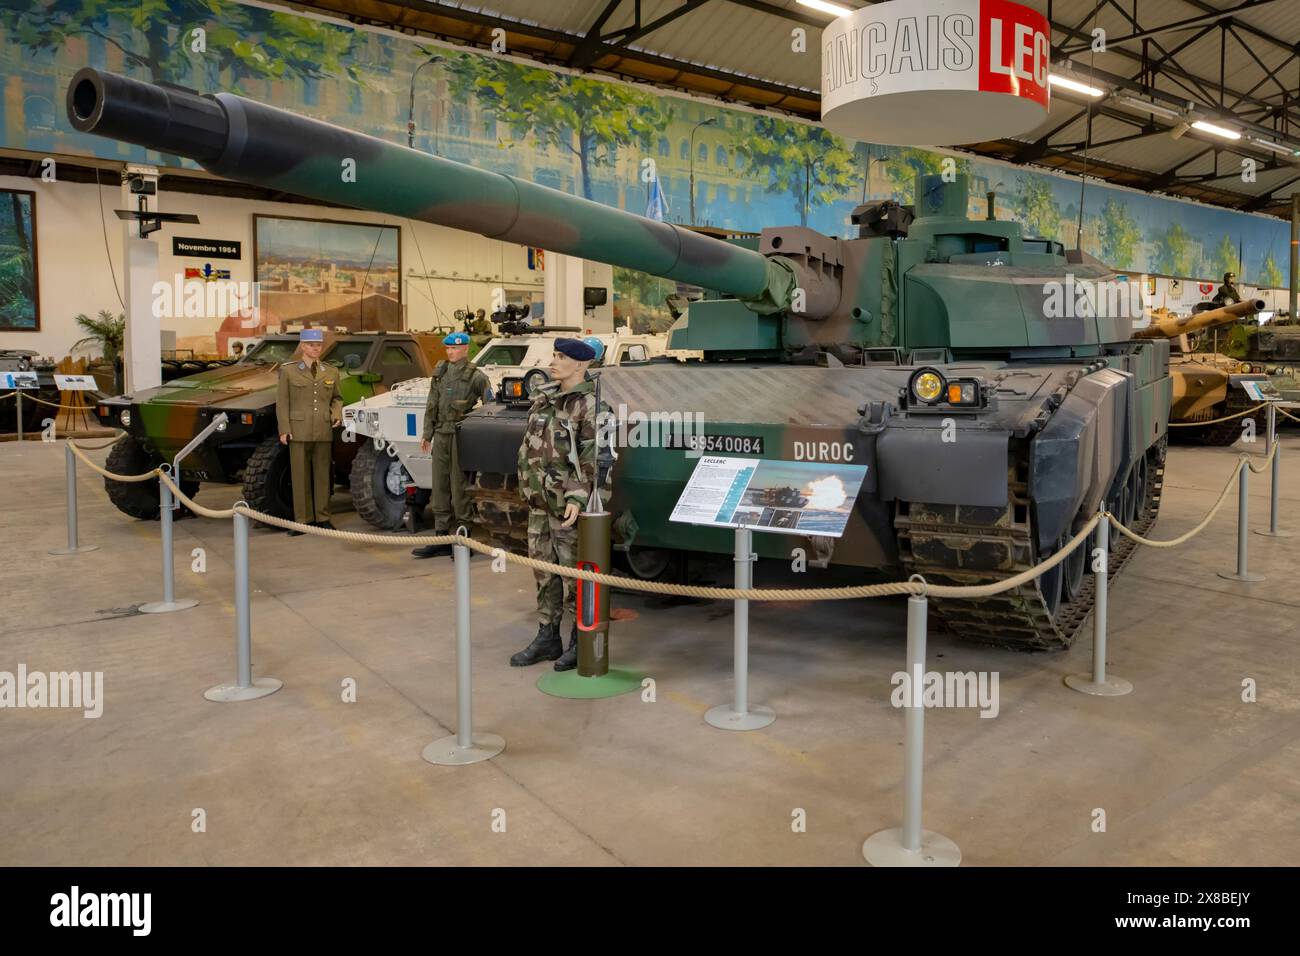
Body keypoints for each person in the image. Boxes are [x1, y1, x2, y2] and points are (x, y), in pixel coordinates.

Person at [509, 337, 599, 671]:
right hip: (540, 503)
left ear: (580, 364)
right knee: (544, 573)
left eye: (561, 356)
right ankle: (547, 636)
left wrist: (577, 495)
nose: (554, 361)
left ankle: (580, 640)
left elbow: (596, 461)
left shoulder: (590, 406)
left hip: (567, 507)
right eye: (554, 355)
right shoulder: (544, 401)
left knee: (574, 575)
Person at [412, 331, 494, 558]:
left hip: (461, 435)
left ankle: (463, 537)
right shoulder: (441, 373)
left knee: (459, 488)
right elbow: (431, 404)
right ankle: (441, 536)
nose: (451, 352)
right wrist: (427, 434)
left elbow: (490, 406)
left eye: (455, 348)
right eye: (448, 348)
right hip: (441, 434)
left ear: (466, 349)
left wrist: (477, 431)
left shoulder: (476, 376)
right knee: (439, 486)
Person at [275, 328, 342, 535]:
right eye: (311, 345)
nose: (315, 348)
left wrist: (336, 413)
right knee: (300, 476)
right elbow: (282, 403)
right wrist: (284, 429)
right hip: (298, 430)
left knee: (322, 476)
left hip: (323, 429)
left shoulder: (331, 371)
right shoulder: (288, 371)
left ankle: (322, 518)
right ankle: (302, 520)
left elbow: (337, 398)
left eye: (318, 345)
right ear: (303, 346)